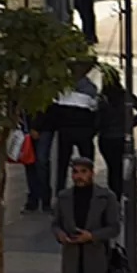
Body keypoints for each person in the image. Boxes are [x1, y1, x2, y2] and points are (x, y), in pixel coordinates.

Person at [45, 65, 99, 195]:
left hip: (66, 131)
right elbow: (96, 111)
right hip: (84, 132)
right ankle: (87, 191)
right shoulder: (90, 89)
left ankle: (60, 192)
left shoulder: (62, 88)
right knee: (87, 162)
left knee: (62, 164)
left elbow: (55, 110)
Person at [97, 72, 137, 201]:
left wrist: (99, 128)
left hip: (106, 138)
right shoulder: (125, 95)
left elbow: (96, 119)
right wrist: (130, 124)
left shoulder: (102, 98)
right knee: (120, 168)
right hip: (121, 137)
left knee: (112, 168)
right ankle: (119, 195)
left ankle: (114, 195)